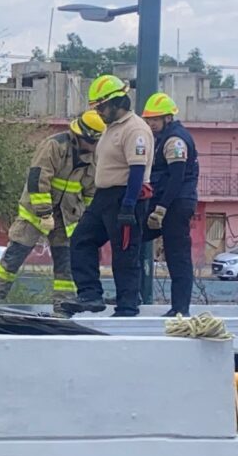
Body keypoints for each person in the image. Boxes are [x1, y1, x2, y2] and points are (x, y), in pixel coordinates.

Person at [0, 110, 105, 317]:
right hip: (36, 211)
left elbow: (91, 190)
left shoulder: (94, 157)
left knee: (65, 262)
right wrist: (44, 213)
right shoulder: (54, 146)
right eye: (90, 142)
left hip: (68, 214)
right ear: (80, 136)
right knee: (16, 253)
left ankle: (62, 305)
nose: (92, 147)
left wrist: (89, 219)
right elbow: (38, 179)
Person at [62, 75, 154, 317]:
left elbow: (136, 169)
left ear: (117, 103)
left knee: (124, 253)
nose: (99, 112)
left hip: (125, 196)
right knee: (81, 239)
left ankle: (127, 307)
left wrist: (128, 206)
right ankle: (90, 294)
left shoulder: (135, 129)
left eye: (101, 106)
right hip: (105, 197)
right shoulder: (113, 128)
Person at [141, 92, 199, 317]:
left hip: (175, 203)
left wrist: (161, 208)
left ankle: (180, 309)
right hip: (166, 202)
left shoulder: (175, 140)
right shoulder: (161, 138)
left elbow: (177, 178)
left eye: (155, 119)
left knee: (177, 255)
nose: (151, 124)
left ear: (167, 118)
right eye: (148, 120)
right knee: (133, 239)